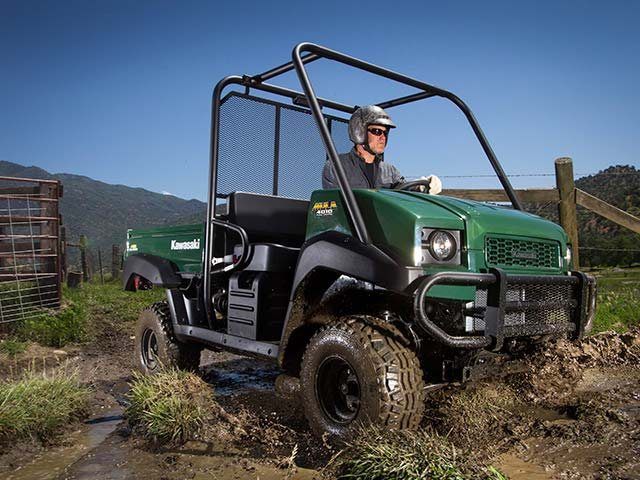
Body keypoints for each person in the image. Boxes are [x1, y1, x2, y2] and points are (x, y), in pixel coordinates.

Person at [322, 105, 442, 193]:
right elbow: (335, 207)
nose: (383, 137)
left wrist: (421, 187)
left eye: (386, 133)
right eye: (377, 131)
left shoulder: (390, 171)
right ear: (359, 132)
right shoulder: (337, 166)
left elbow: (404, 193)